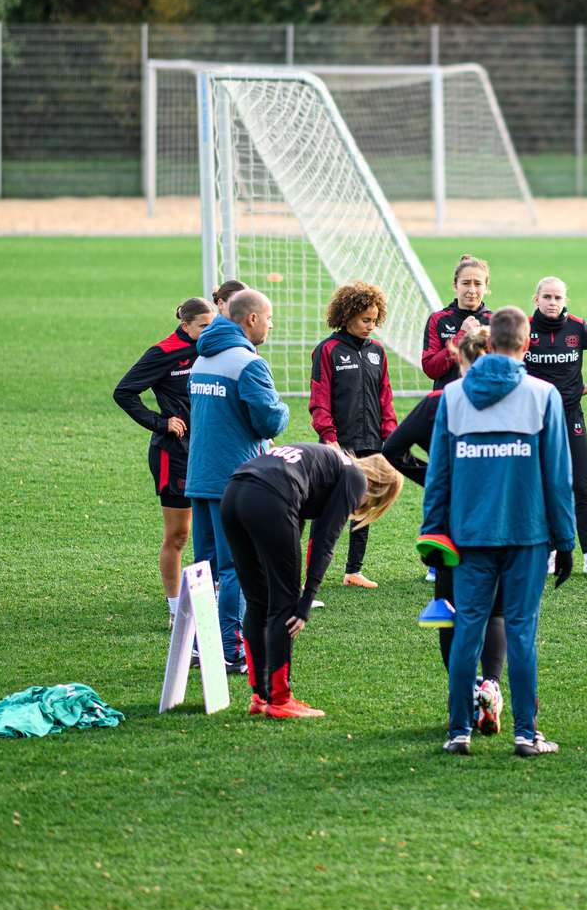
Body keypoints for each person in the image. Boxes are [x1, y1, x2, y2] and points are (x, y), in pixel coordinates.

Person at [422, 307, 576, 758]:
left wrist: (432, 532)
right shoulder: (543, 394)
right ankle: (526, 734)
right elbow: (558, 477)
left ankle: (459, 730)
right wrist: (566, 541)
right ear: (527, 344)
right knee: (522, 631)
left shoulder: (452, 396)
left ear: (488, 345)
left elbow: (439, 475)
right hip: (527, 534)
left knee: (467, 629)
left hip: (470, 534)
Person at [383, 327, 514, 733]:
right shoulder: (518, 397)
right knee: (495, 609)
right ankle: (491, 683)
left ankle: (466, 691)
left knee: (450, 610)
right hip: (503, 519)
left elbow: (392, 450)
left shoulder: (442, 400)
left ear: (459, 359)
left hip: (453, 524)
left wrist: (435, 478)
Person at [221, 444, 403, 718]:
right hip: (269, 497)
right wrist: (305, 601)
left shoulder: (330, 463)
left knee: (257, 602)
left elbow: (301, 516)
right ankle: (280, 700)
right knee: (284, 605)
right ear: (379, 489)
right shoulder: (355, 477)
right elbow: (324, 542)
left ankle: (260, 696)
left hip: (234, 493)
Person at [186, 289, 290, 673]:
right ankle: (229, 650)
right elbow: (267, 420)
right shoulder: (248, 363)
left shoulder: (202, 358)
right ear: (251, 319)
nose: (271, 324)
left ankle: (199, 645)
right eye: (269, 317)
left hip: (200, 477)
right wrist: (284, 411)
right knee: (237, 569)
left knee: (204, 569)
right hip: (236, 480)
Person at [113, 297, 214, 623]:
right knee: (179, 535)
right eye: (203, 326)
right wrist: (162, 422)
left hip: (212, 451)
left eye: (213, 325)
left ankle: (214, 600)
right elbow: (124, 392)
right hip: (176, 455)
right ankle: (176, 611)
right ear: (186, 326)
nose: (210, 332)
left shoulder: (213, 349)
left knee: (214, 530)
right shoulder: (164, 352)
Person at [308, 282, 397, 589]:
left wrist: (391, 436)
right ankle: (311, 577)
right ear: (347, 316)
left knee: (365, 504)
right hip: (337, 444)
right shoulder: (328, 350)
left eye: (374, 320)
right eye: (365, 320)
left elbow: (385, 397)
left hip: (372, 442)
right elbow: (319, 400)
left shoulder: (378, 352)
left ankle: (353, 571)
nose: (371, 327)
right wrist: (329, 437)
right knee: (325, 510)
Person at [526, 276, 587, 576]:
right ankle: (550, 552)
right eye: (547, 297)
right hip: (535, 420)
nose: (552, 303)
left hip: (571, 416)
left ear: (565, 301)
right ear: (536, 299)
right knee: (543, 487)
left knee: (580, 485)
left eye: (558, 298)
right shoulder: (525, 329)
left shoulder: (578, 327)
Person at [421, 254, 493, 390]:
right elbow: (431, 369)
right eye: (466, 283)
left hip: (483, 401)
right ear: (455, 285)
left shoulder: (494, 322)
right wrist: (462, 335)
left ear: (486, 287)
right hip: (447, 400)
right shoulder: (438, 319)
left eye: (478, 284)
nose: (472, 290)